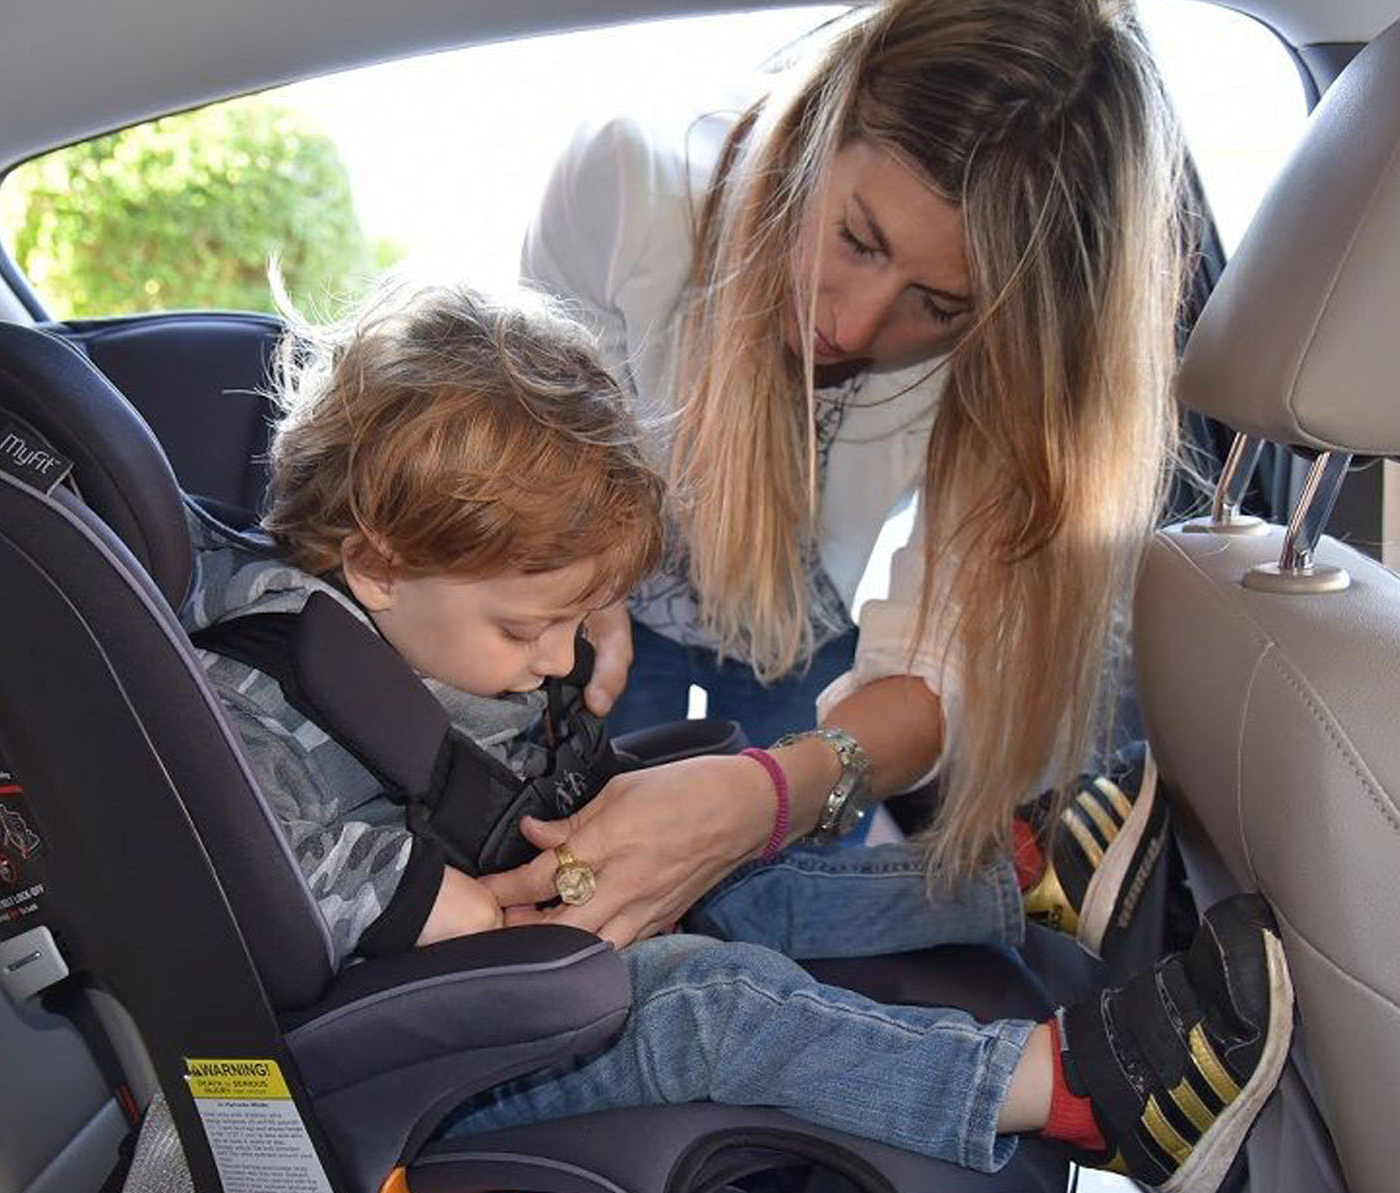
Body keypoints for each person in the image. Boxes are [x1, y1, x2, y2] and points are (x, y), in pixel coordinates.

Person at [181, 279, 1292, 1193]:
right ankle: (1084, 1094)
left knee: (752, 870)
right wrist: (427, 901)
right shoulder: (261, 679)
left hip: (526, 946)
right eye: (529, 627)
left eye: (580, 620)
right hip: (436, 1051)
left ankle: (1018, 875)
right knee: (712, 996)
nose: (562, 657)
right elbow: (246, 866)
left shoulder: (424, 619)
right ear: (376, 564)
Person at [493, 0, 1190, 956]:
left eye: (938, 305)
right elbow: (544, 457)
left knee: (779, 901)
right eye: (859, 239)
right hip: (615, 616)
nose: (854, 328)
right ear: (826, 117)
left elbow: (929, 675)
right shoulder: (625, 185)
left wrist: (769, 795)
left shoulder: (1006, 362)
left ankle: (1019, 883)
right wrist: (575, 584)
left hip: (811, 640)